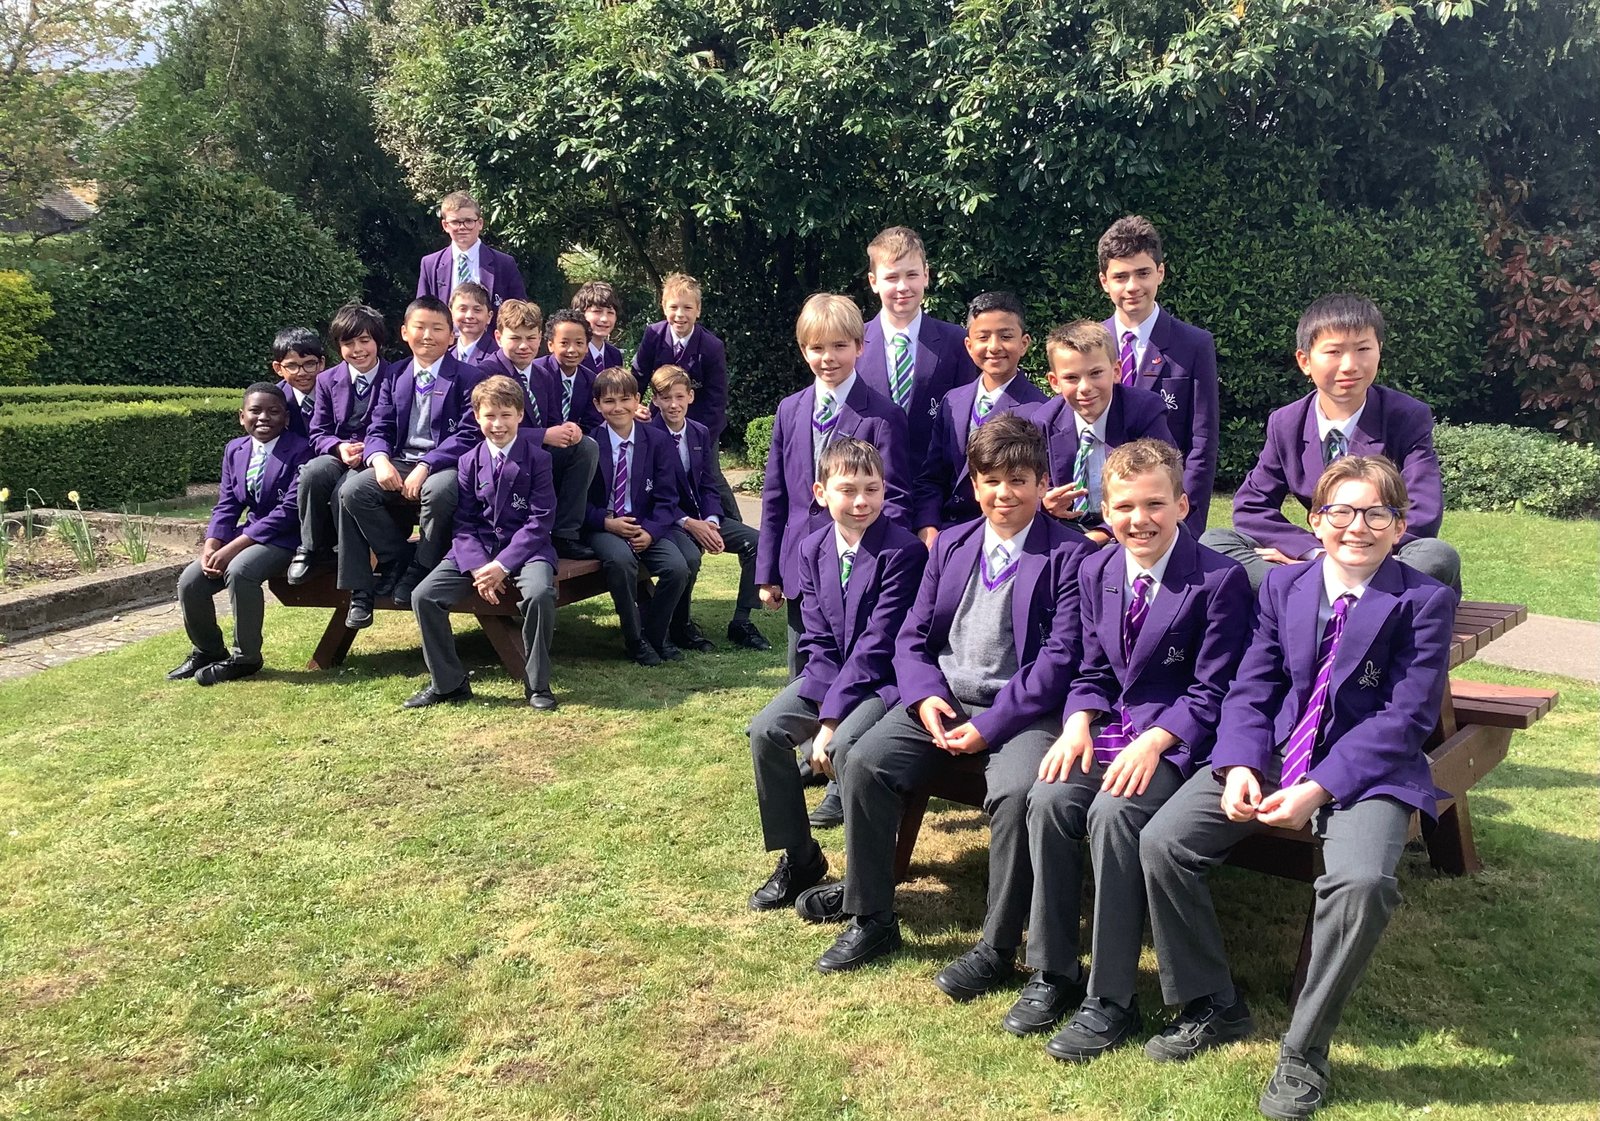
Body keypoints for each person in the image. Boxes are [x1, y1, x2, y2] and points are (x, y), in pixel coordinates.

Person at [1141, 455, 1455, 1120]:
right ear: (1315, 520)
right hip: (1276, 751)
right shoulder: (1284, 590)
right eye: (1341, 510)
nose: (1357, 525)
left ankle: (1303, 1050)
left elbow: (1405, 719)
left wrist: (1317, 789)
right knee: (1165, 842)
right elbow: (1253, 685)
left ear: (1400, 527)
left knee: (1362, 884)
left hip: (1368, 771)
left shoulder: (1422, 600)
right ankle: (1212, 1004)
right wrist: (1240, 764)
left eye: (1376, 513)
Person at [803, 415, 1096, 990]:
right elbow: (911, 639)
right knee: (861, 761)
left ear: (1042, 482)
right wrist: (926, 696)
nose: (1003, 494)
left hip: (1023, 716)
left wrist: (991, 725)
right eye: (990, 480)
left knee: (1017, 794)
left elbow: (1060, 659)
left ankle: (996, 947)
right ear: (975, 484)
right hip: (943, 702)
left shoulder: (1071, 556)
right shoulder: (953, 544)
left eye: (1017, 480)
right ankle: (872, 916)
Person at [1018, 439, 1250, 1058]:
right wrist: (1076, 724)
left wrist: (1156, 739)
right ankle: (1054, 972)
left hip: (1178, 741)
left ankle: (1111, 999)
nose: (1138, 519)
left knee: (1116, 814)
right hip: (1111, 731)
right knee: (1049, 799)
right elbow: (1091, 669)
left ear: (1182, 504)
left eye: (1154, 504)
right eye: (1123, 506)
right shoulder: (1096, 569)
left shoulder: (1218, 579)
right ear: (1104, 506)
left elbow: (1215, 687)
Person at [746, 438, 926, 910]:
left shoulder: (903, 551)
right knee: (766, 730)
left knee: (846, 746)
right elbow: (820, 638)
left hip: (882, 681)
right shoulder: (811, 547)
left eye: (872, 488)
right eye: (848, 490)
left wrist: (830, 722)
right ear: (822, 493)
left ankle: (863, 881)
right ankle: (801, 858)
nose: (862, 501)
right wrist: (826, 707)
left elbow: (878, 645)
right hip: (830, 673)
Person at [1200, 293, 1461, 591]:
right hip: (1324, 555)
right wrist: (1319, 554)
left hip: (1382, 555)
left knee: (1435, 557)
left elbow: (1421, 513)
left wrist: (1353, 557)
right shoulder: (1287, 423)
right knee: (1216, 543)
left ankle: (1306, 591)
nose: (1350, 365)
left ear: (1379, 351)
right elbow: (1250, 507)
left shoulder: (1406, 417)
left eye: (1363, 349)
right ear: (1305, 361)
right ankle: (1327, 590)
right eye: (1334, 352)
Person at [756, 293, 909, 678]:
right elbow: (775, 495)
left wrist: (881, 562)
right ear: (803, 350)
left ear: (859, 346)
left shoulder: (883, 415)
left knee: (857, 665)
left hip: (860, 563)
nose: (829, 358)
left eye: (840, 346)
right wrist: (767, 572)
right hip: (799, 564)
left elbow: (895, 497)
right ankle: (804, 737)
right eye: (817, 348)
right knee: (804, 666)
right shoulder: (789, 410)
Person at [407, 375, 561, 711]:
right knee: (424, 596)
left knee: (538, 594)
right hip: (476, 551)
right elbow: (463, 522)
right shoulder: (467, 461)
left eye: (506, 415)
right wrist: (479, 566)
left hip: (526, 551)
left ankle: (537, 685)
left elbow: (540, 522)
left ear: (520, 415)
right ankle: (448, 683)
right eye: (489, 415)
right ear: (477, 417)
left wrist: (502, 565)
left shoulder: (539, 459)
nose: (498, 424)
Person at [337, 296, 483, 627]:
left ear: (452, 336)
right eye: (420, 327)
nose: (428, 336)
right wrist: (379, 459)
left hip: (447, 464)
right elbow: (379, 425)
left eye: (438, 329)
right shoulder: (395, 374)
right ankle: (395, 557)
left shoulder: (468, 377)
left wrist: (427, 464)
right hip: (400, 460)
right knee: (353, 491)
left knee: (439, 491)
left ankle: (421, 565)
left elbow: (467, 435)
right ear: (405, 332)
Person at [169, 383, 311, 685]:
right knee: (191, 581)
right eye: (255, 411)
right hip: (247, 533)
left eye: (274, 412)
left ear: (286, 418)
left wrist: (234, 547)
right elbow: (227, 503)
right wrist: (212, 542)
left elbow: (288, 511)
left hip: (289, 537)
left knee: (241, 571)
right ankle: (208, 650)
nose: (264, 418)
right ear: (241, 416)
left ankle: (246, 657)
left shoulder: (301, 449)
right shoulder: (235, 449)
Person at [1097, 215, 1219, 534]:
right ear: (1104, 282)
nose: (1133, 286)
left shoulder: (1194, 344)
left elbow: (1202, 442)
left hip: (1165, 514)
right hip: (1102, 513)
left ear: (1160, 273)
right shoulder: (1089, 346)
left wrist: (1186, 519)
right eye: (1120, 276)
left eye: (1143, 273)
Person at [1018, 320, 1175, 543]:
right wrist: (1044, 503)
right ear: (1054, 382)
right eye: (1072, 378)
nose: (1085, 387)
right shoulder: (1043, 421)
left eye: (1096, 373)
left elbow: (1164, 484)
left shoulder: (1144, 412)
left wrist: (1102, 534)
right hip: (1065, 530)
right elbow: (1031, 486)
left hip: (1130, 529)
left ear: (1116, 371)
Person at [911, 290, 1047, 540]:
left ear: (1024, 343)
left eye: (1006, 336)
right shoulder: (953, 401)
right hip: (946, 533)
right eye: (983, 337)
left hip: (1004, 532)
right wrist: (927, 527)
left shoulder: (1040, 410)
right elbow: (932, 477)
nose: (994, 347)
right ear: (969, 345)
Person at [649, 364, 765, 653]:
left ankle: (741, 622)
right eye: (665, 397)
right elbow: (650, 496)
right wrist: (689, 523)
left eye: (679, 396)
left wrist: (712, 520)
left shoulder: (700, 433)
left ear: (690, 396)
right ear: (654, 400)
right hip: (671, 522)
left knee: (758, 542)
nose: (673, 404)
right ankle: (681, 626)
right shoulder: (648, 435)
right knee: (690, 559)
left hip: (705, 517)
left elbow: (710, 483)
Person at [580, 366, 692, 666]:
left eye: (625, 399)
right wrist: (605, 522)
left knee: (677, 568)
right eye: (609, 401)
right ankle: (633, 639)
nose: (618, 407)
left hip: (645, 524)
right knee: (621, 561)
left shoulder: (656, 441)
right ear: (597, 405)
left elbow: (668, 497)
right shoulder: (588, 445)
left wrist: (652, 532)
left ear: (638, 400)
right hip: (604, 526)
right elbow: (577, 503)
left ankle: (653, 636)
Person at [477, 300, 599, 561]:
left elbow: (552, 419)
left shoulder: (542, 375)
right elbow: (484, 430)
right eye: (516, 338)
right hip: (499, 461)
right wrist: (542, 435)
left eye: (531, 338)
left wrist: (569, 430)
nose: (524, 346)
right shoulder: (486, 372)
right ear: (498, 337)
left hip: (536, 458)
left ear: (541, 339)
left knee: (586, 447)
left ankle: (566, 534)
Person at [287, 304, 395, 583]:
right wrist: (338, 447)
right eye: (349, 343)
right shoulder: (326, 380)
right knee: (312, 472)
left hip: (379, 454)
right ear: (338, 347)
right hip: (340, 452)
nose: (357, 349)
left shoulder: (396, 376)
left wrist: (372, 451)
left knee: (344, 492)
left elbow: (396, 427)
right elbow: (318, 431)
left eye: (364, 341)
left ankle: (354, 574)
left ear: (378, 341)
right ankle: (310, 547)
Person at [856, 225, 979, 451]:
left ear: (925, 275)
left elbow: (965, 424)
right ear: (874, 282)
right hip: (868, 480)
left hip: (934, 481)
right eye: (891, 277)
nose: (902, 287)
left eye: (911, 275)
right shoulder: (853, 342)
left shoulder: (956, 342)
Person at [630, 273, 736, 516]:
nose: (680, 314)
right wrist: (634, 405)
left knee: (710, 478)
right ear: (663, 307)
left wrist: (698, 437)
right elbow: (636, 377)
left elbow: (716, 400)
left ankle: (734, 527)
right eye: (674, 307)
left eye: (687, 307)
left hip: (700, 425)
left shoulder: (712, 346)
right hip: (658, 422)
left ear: (698, 310)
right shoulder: (653, 335)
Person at [415, 190, 527, 319]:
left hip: (490, 338)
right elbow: (422, 312)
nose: (462, 227)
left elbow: (519, 313)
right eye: (455, 222)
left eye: (469, 221)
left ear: (480, 223)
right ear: (445, 225)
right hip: (446, 338)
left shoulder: (504, 263)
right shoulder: (430, 264)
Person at [271, 326, 324, 440]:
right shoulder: (274, 400)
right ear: (278, 368)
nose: (301, 373)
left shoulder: (337, 392)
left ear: (321, 363)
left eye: (309, 364)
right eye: (292, 366)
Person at [574, 280, 625, 376]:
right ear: (581, 314)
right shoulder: (573, 354)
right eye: (597, 311)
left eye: (610, 313)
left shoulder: (615, 355)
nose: (605, 319)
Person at [449, 281, 498, 365]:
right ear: (451, 314)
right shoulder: (446, 357)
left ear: (489, 317)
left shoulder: (496, 358)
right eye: (462, 309)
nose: (469, 316)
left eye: (477, 310)